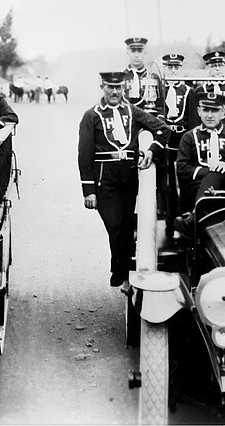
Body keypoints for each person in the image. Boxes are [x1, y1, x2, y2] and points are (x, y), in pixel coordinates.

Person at [78, 71, 171, 287]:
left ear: (123, 88)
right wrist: (88, 190)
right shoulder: (91, 116)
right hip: (104, 176)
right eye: (110, 87)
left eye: (118, 87)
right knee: (115, 224)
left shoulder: (132, 111)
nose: (114, 91)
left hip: (129, 175)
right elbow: (84, 155)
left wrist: (151, 151)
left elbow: (162, 129)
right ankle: (119, 267)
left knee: (128, 223)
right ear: (102, 87)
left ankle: (124, 268)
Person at [176, 91, 225, 211]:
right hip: (197, 185)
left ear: (223, 111)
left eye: (214, 110)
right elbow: (182, 167)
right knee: (214, 175)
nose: (209, 115)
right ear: (199, 111)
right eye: (205, 110)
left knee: (219, 173)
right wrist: (209, 172)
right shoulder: (189, 136)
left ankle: (195, 215)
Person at [161, 54, 200, 225]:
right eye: (170, 67)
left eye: (177, 68)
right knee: (166, 182)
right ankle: (169, 219)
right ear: (166, 68)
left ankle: (185, 217)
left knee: (183, 179)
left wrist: (190, 143)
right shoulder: (161, 90)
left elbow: (192, 120)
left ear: (182, 69)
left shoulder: (188, 91)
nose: (174, 71)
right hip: (166, 139)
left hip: (182, 139)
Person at [197, 50, 225, 129]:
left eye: (220, 65)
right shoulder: (201, 90)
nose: (217, 69)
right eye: (213, 66)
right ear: (207, 68)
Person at [124, 37, 164, 116]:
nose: (136, 55)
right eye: (133, 51)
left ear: (145, 52)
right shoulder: (121, 77)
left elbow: (160, 105)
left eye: (140, 51)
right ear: (127, 52)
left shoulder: (153, 77)